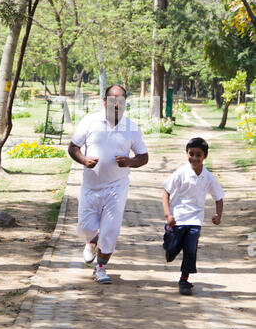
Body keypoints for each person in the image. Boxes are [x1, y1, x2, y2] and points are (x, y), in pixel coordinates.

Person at [68, 85, 148, 284]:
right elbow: (73, 148)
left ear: (124, 103)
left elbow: (143, 156)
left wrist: (129, 162)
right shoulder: (90, 121)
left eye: (120, 100)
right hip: (90, 186)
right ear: (104, 101)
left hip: (116, 186)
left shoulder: (131, 127)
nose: (116, 104)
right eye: (112, 99)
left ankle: (101, 268)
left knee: (110, 229)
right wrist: (84, 160)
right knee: (86, 228)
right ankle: (91, 240)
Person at [162, 137, 224, 295]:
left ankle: (184, 280)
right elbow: (166, 193)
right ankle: (169, 241)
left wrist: (218, 214)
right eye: (191, 154)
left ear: (205, 156)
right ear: (187, 153)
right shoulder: (181, 173)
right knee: (172, 250)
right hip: (177, 218)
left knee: (190, 249)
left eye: (198, 155)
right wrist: (168, 215)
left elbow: (218, 197)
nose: (194, 158)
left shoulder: (208, 177)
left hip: (195, 220)